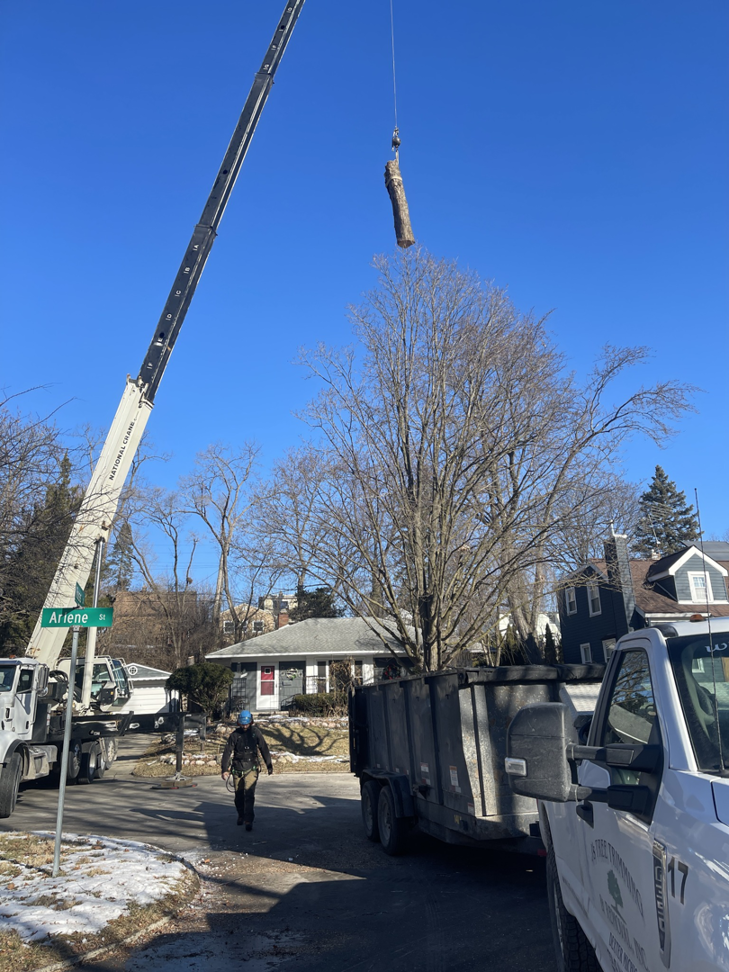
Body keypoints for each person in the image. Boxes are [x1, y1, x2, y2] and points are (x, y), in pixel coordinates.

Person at [221, 710, 273, 830]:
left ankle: (249, 819)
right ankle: (241, 814)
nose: (244, 726)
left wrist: (269, 765)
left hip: (251, 767)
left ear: (251, 722)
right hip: (237, 767)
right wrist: (224, 769)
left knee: (249, 794)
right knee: (239, 795)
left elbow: (263, 748)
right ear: (239, 723)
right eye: (242, 724)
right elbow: (227, 752)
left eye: (246, 723)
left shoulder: (255, 733)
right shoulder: (234, 735)